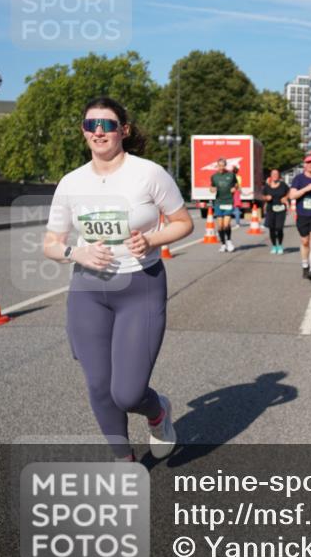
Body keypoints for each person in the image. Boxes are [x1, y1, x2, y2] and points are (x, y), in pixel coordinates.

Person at [43, 96, 194, 461]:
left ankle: (157, 413)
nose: (99, 131)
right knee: (98, 386)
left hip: (140, 285)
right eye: (91, 124)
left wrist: (152, 239)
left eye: (108, 124)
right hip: (88, 290)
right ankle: (123, 460)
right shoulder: (71, 182)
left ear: (123, 131)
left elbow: (184, 222)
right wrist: (73, 252)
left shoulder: (149, 173)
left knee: (126, 393)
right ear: (83, 132)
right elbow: (51, 242)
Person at [209, 158, 237, 252]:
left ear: (225, 166)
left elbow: (236, 184)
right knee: (220, 226)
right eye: (219, 165)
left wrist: (234, 188)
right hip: (218, 202)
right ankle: (223, 244)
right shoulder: (214, 176)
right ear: (217, 166)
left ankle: (229, 241)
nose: (221, 167)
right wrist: (212, 189)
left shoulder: (231, 175)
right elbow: (211, 186)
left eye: (223, 165)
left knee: (226, 224)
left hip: (228, 201)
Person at [262, 168, 289, 254]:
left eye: (276, 174)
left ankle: (280, 245)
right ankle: (274, 246)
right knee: (272, 229)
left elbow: (289, 192)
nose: (275, 175)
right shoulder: (267, 186)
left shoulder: (283, 185)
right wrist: (266, 198)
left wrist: (286, 197)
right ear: (271, 176)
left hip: (281, 209)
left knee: (279, 228)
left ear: (279, 176)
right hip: (270, 209)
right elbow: (262, 196)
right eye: (273, 174)